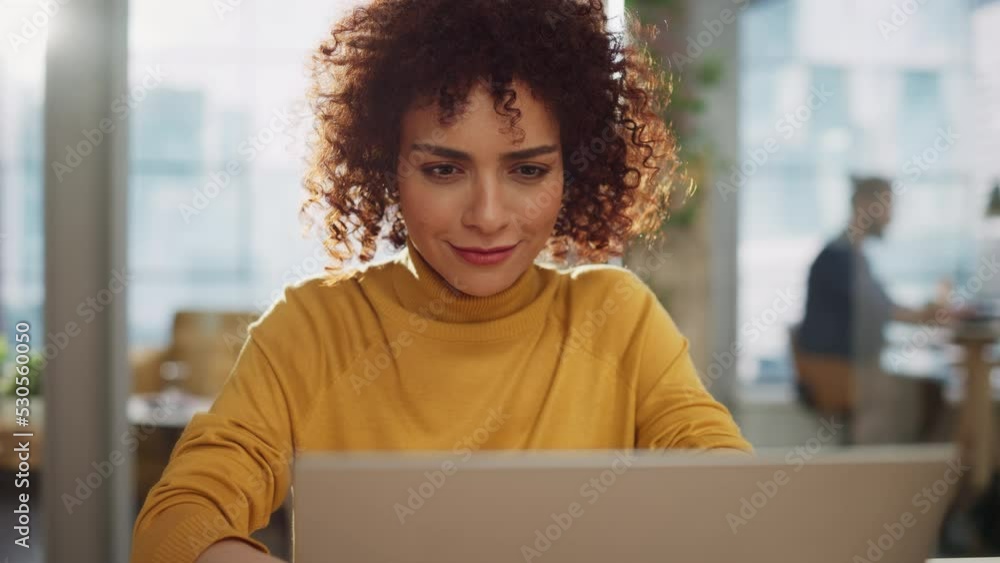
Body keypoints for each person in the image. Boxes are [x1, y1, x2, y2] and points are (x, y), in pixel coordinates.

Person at [129, 2, 751, 562]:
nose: (486, 215)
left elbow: (731, 488)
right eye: (444, 169)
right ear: (387, 165)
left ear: (573, 169)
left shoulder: (616, 319)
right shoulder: (313, 328)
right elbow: (180, 517)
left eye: (528, 170)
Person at [797, 176, 948, 444]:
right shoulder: (838, 256)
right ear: (867, 205)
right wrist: (924, 316)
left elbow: (881, 307)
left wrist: (923, 314)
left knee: (930, 390)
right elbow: (879, 311)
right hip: (836, 372)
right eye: (888, 206)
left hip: (851, 366)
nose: (891, 217)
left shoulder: (853, 255)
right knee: (929, 392)